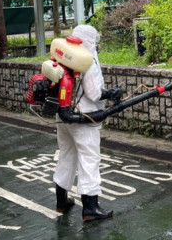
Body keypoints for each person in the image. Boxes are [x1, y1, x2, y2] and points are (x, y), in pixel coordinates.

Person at [53, 24, 122, 221]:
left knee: (66, 155)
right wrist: (111, 93)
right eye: (95, 42)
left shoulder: (64, 54)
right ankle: (90, 207)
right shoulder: (86, 59)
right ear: (89, 41)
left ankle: (61, 201)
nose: (97, 46)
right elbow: (93, 93)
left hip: (63, 116)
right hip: (84, 118)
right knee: (89, 159)